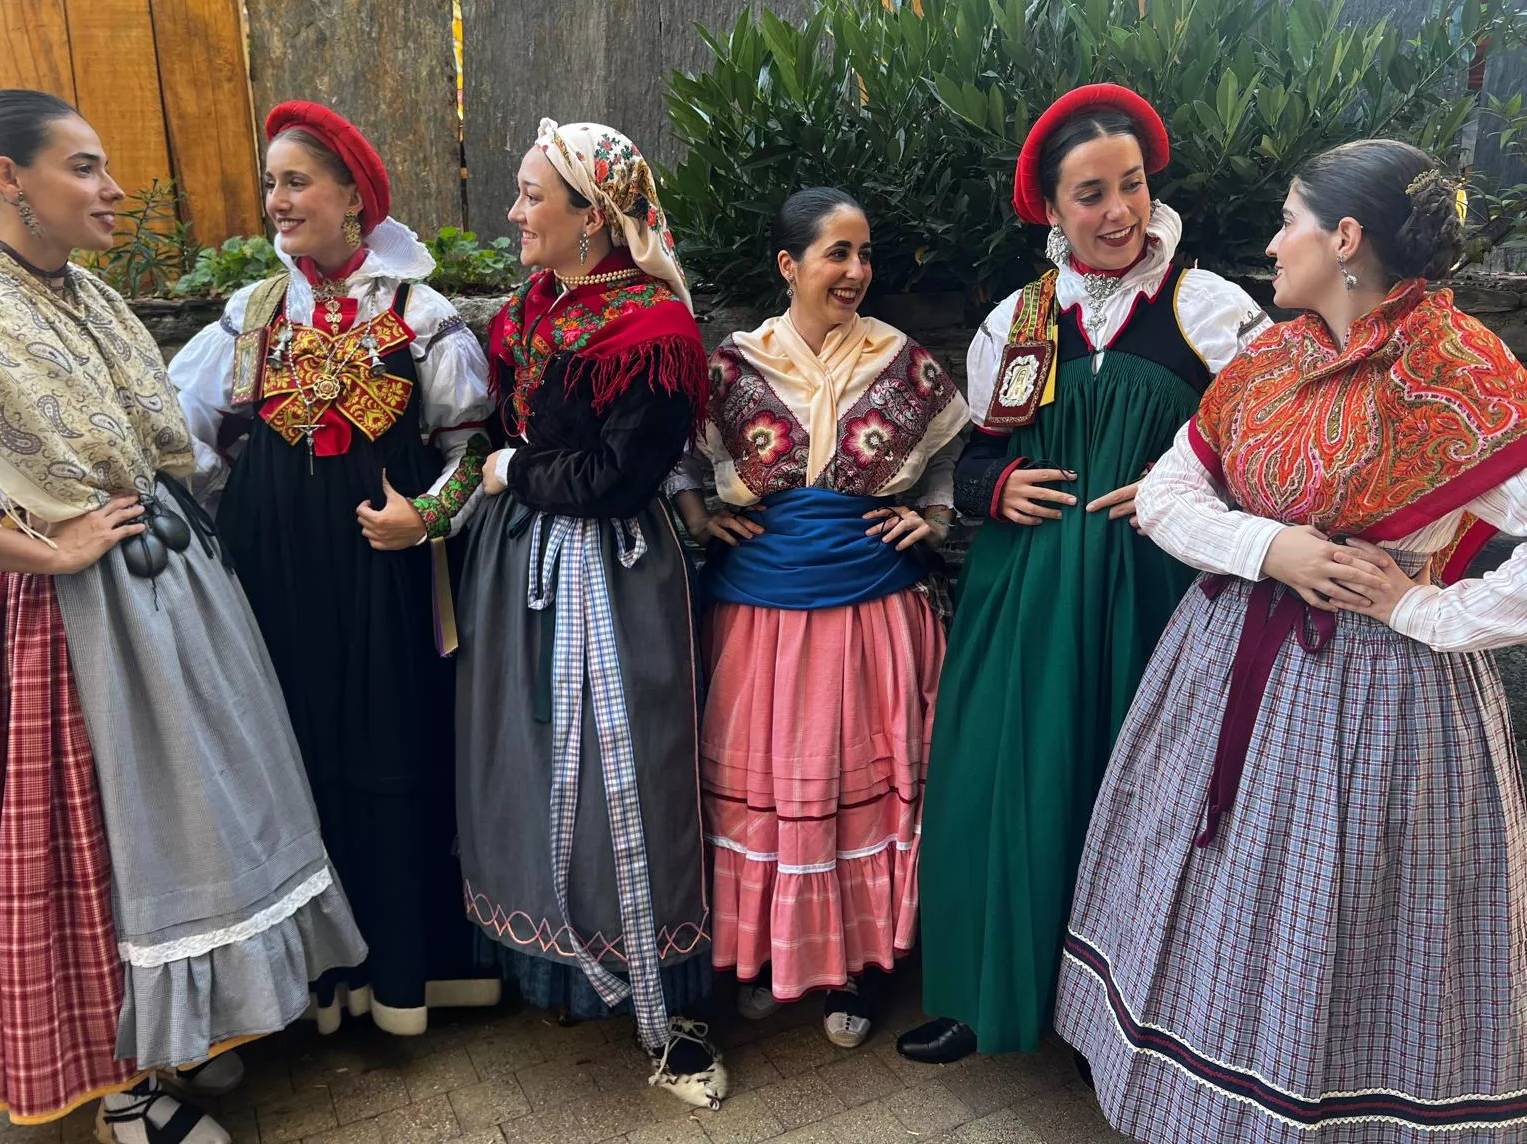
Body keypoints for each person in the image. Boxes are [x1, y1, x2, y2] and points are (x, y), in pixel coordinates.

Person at [1054, 139, 1527, 1141]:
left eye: (1286, 221)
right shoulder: (1274, 357)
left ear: (1343, 238)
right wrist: (1269, 548)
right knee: (1223, 908)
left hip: (1387, 704)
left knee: (1350, 926)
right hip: (1228, 661)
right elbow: (1173, 492)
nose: (1270, 244)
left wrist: (1422, 609)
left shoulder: (1463, 377)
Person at [0, 90, 365, 1143]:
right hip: (68, 626)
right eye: (82, 167)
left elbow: (171, 440)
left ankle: (178, 1038)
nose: (111, 188)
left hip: (173, 596)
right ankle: (120, 1088)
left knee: (199, 824)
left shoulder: (89, 297)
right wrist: (45, 547)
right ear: (10, 181)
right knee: (106, 847)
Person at [899, 84, 1270, 1063]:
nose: (1118, 213)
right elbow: (966, 457)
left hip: (1159, 598)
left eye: (1133, 186)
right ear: (1053, 213)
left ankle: (1121, 1031)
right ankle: (985, 996)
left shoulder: (1209, 308)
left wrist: (1187, 484)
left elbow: (1275, 454)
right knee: (1000, 782)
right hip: (1024, 595)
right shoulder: (1017, 320)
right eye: (1092, 195)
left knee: (1142, 802)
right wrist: (999, 484)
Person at [169, 101, 499, 1037]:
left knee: (386, 759)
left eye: (297, 181)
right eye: (271, 182)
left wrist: (422, 519)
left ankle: (404, 974)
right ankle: (315, 988)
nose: (277, 200)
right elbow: (177, 432)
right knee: (291, 759)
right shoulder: (253, 313)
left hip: (380, 578)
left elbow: (473, 450)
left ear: (354, 196)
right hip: (274, 581)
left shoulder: (419, 316)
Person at [451, 119, 725, 1109]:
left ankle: (672, 1008)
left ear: (593, 216)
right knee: (524, 762)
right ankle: (563, 964)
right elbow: (495, 429)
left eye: (532, 195)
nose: (515, 212)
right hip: (515, 563)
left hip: (611, 578)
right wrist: (449, 503)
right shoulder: (533, 306)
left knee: (632, 771)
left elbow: (615, 479)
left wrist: (508, 471)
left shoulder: (653, 332)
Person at [670, 188, 968, 1050]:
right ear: (788, 265)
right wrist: (696, 512)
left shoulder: (902, 360)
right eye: (838, 253)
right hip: (760, 618)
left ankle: (864, 970)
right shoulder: (735, 363)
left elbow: (949, 453)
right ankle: (771, 955)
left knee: (858, 796)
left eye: (865, 254)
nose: (856, 271)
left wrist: (936, 520)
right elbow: (680, 452)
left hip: (874, 611)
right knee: (772, 794)